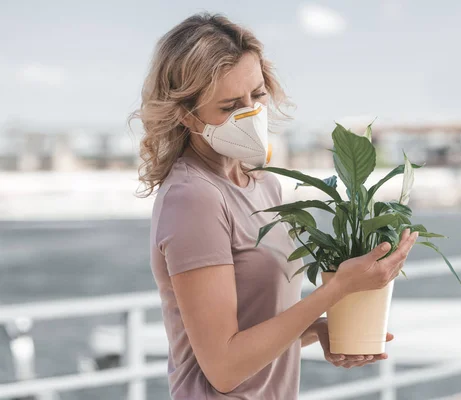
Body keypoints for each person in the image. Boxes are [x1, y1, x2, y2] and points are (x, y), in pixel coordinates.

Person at [130, 12, 419, 400]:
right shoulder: (193, 197)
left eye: (257, 95)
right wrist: (338, 290)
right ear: (186, 114)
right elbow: (225, 368)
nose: (250, 114)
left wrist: (318, 328)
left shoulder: (264, 184)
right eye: (230, 106)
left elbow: (253, 330)